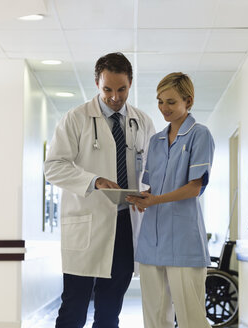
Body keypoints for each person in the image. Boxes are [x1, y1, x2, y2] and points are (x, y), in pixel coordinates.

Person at [44, 52, 155, 328]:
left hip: (126, 225)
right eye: (107, 89)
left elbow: (153, 168)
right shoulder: (76, 118)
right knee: (74, 307)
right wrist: (95, 181)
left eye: (122, 89)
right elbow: (53, 167)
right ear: (97, 83)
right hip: (88, 221)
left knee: (109, 311)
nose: (115, 97)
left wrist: (150, 193)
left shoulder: (142, 122)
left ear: (130, 83)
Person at [127, 72, 215, 328]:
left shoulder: (200, 135)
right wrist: (142, 198)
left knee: (192, 319)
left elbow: (194, 187)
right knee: (154, 319)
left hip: (183, 239)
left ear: (188, 100)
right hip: (152, 239)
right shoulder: (155, 142)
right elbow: (153, 187)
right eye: (159, 101)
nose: (163, 108)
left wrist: (155, 201)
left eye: (171, 102)